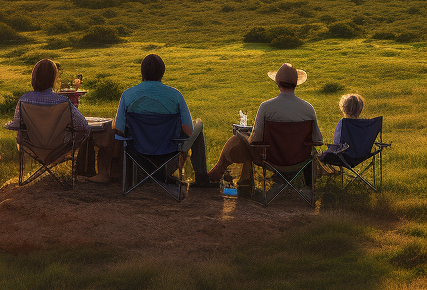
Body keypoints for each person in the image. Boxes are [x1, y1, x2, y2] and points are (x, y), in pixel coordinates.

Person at [92, 52, 213, 187]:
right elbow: (188, 130)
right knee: (198, 124)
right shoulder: (175, 95)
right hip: (168, 152)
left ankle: (138, 175)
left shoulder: (128, 94)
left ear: (142, 72)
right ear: (162, 72)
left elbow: (119, 129)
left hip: (137, 153)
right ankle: (202, 177)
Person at [207, 63, 323, 197]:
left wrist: (246, 137)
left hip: (271, 159)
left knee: (238, 140)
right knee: (242, 141)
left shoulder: (266, 107)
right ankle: (256, 183)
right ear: (296, 84)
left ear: (278, 83)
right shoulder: (308, 108)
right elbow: (318, 140)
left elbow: (256, 139)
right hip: (299, 160)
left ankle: (230, 181)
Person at [7, 59, 90, 154]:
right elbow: (83, 126)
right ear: (53, 79)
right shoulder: (62, 102)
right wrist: (73, 144)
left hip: (30, 149)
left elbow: (16, 124)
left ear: (34, 77)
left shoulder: (24, 100)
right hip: (59, 150)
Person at [319, 92, 365, 169]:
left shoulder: (344, 123)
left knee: (320, 155)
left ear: (343, 108)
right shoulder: (364, 124)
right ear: (360, 110)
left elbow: (337, 142)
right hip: (362, 154)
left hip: (344, 156)